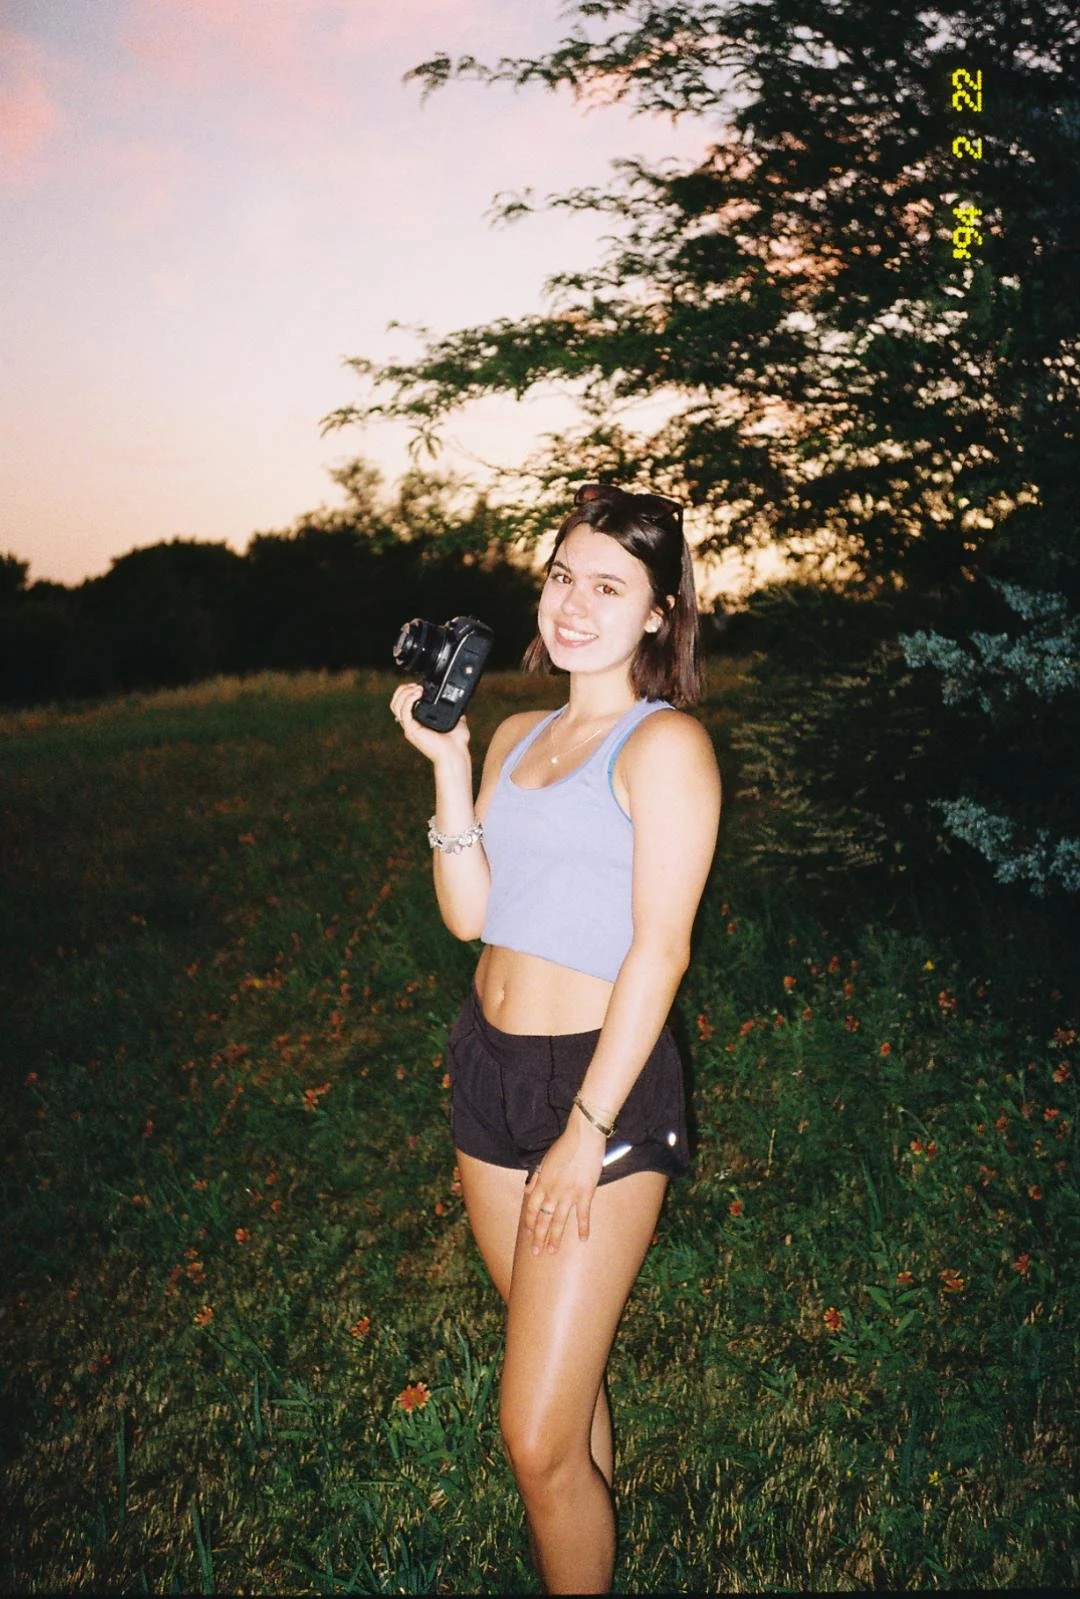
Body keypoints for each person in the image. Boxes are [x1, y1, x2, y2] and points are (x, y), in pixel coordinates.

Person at [389, 482, 722, 1595]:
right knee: (563, 1398)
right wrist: (449, 766)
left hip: (598, 1083)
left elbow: (659, 953)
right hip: (488, 1069)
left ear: (660, 613)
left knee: (532, 1438)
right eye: (563, 576)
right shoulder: (517, 735)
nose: (575, 605)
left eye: (609, 587)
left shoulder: (664, 745)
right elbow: (471, 914)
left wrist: (586, 1131)